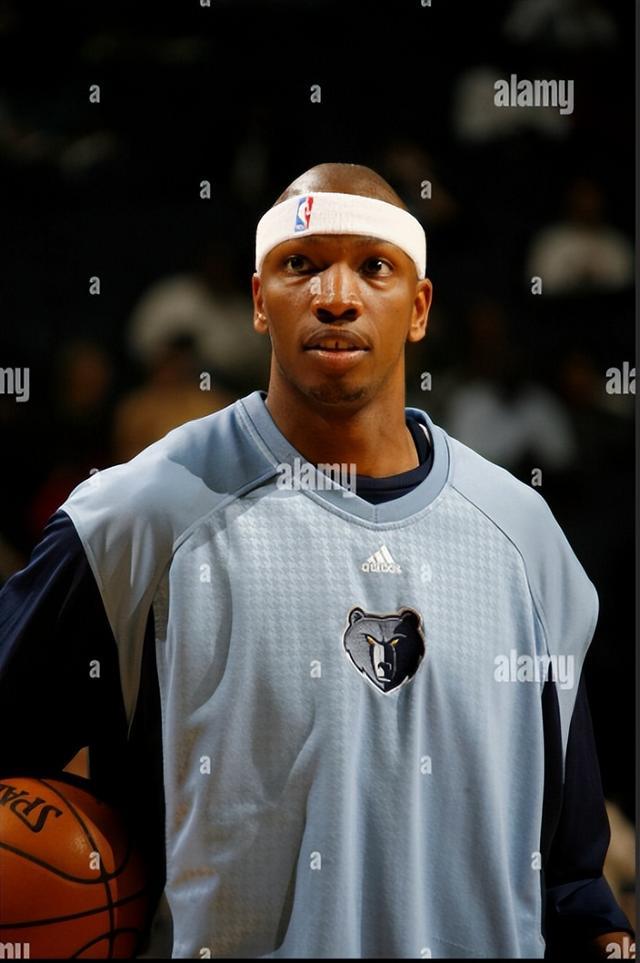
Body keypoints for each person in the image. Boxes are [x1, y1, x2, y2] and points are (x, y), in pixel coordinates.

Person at [0, 163, 634, 959]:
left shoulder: (526, 538)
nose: (336, 296)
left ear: (420, 308)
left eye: (374, 266)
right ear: (259, 300)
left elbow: (574, 886)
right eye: (301, 264)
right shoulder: (134, 521)